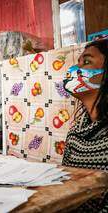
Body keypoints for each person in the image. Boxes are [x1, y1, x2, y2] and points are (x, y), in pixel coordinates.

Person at [62, 38, 108, 211]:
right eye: (78, 62)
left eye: (87, 62)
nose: (74, 69)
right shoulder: (75, 133)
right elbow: (66, 185)